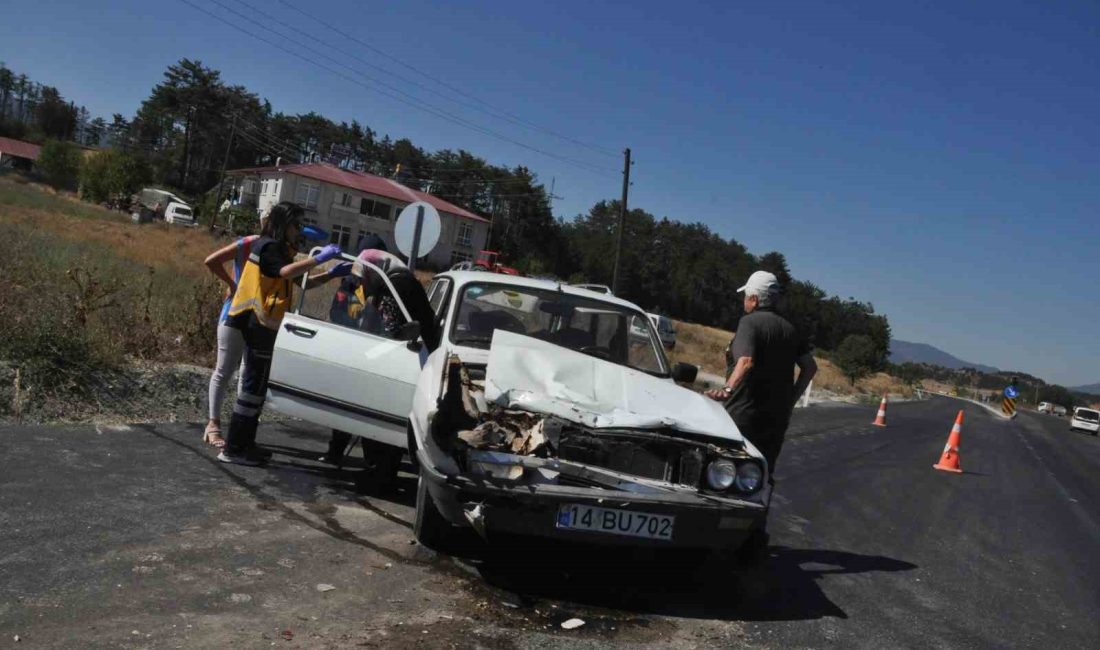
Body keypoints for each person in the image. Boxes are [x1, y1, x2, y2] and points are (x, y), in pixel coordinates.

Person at [218, 201, 351, 466]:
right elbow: (285, 272)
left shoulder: (278, 249)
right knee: (251, 388)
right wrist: (318, 258)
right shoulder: (267, 247)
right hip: (256, 323)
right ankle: (234, 449)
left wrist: (328, 273)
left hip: (265, 325)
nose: (299, 231)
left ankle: (247, 443)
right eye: (296, 225)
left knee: (257, 388)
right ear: (283, 224)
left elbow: (297, 281)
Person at [319, 240, 441, 466]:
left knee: (371, 410)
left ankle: (377, 468)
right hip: (393, 357)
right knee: (359, 404)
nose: (361, 284)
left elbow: (392, 328)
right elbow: (347, 311)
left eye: (363, 276)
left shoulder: (396, 285)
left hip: (399, 360)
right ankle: (352, 456)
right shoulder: (391, 279)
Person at [705, 270, 817, 477]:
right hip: (776, 420)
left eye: (746, 296)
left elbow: (746, 361)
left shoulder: (749, 323)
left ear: (754, 299)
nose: (744, 301)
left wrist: (727, 389)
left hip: (742, 416)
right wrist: (790, 400)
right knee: (759, 476)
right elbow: (810, 368)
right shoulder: (791, 329)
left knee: (723, 474)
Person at [201, 223, 263, 447]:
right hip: (235, 313)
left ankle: (238, 429)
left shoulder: (278, 250)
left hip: (258, 318)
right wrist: (232, 283)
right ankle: (213, 424)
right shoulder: (249, 243)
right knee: (224, 369)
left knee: (246, 374)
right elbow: (212, 260)